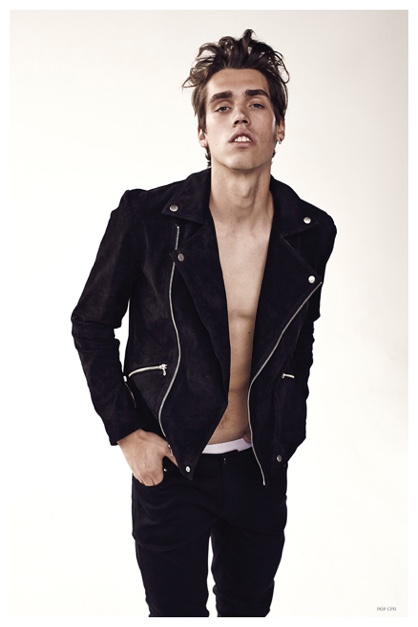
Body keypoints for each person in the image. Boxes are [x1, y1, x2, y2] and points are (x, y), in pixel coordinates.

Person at [71, 29, 336, 617]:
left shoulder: (311, 231)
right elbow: (90, 324)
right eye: (222, 105)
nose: (240, 115)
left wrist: (288, 425)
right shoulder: (147, 217)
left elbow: (301, 339)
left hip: (260, 466)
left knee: (249, 613)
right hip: (171, 466)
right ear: (202, 133)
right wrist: (126, 433)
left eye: (256, 103)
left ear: (279, 127)